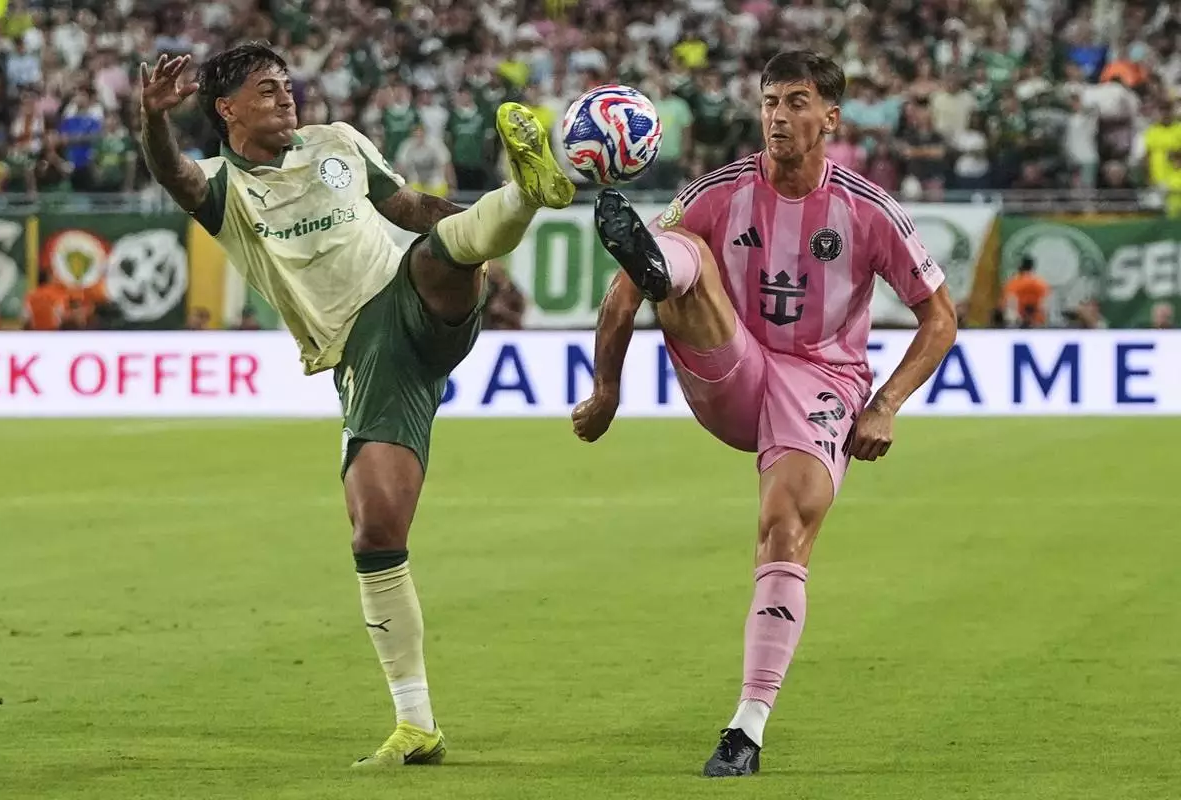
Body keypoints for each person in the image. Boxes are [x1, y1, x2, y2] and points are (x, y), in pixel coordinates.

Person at [137, 43, 574, 769]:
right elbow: (171, 173)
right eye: (266, 88)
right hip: (366, 357)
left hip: (408, 295)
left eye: (287, 84)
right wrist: (154, 120)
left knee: (438, 251)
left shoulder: (338, 142)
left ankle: (524, 194)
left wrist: (481, 240)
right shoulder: (222, 188)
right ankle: (416, 726)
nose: (286, 96)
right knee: (376, 533)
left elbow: (411, 208)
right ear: (226, 109)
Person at [572, 50, 957, 778]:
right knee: (680, 248)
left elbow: (940, 317)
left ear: (830, 118)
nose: (778, 116)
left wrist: (886, 404)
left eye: (796, 102)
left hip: (822, 383)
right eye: (770, 101)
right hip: (733, 363)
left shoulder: (868, 210)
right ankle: (664, 264)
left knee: (784, 529)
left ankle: (745, 729)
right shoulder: (720, 191)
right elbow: (620, 297)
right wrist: (607, 391)